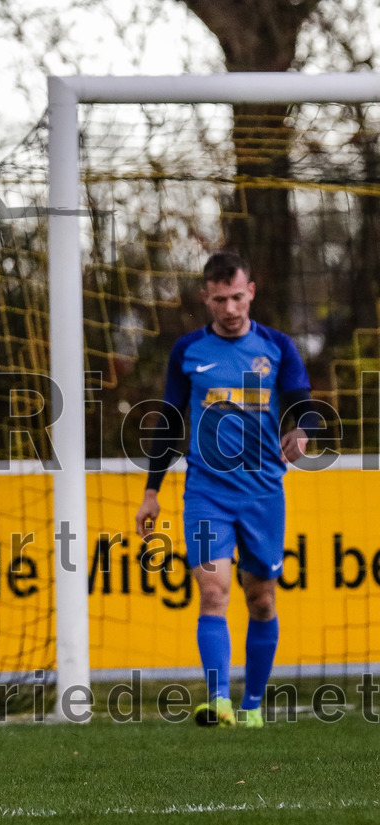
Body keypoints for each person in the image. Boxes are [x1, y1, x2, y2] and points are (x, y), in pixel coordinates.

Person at [135, 251, 320, 729]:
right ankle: (218, 701)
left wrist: (303, 431)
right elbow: (168, 423)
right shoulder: (187, 352)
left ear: (251, 292)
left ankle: (253, 705)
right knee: (213, 591)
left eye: (238, 297)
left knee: (261, 598)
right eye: (220, 300)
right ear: (206, 299)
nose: (231, 309)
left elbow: (307, 406)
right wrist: (151, 491)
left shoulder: (278, 347)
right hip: (205, 493)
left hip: (262, 493)